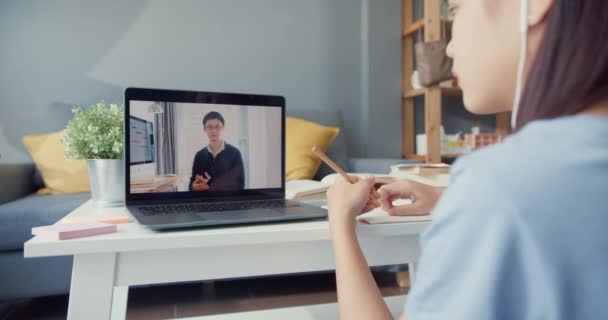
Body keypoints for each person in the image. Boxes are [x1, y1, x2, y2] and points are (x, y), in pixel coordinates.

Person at [326, 0, 608, 319]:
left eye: (457, 9)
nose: (449, 49)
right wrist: (444, 197)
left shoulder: (498, 184)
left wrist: (340, 222)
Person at [189, 111, 245, 191]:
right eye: (210, 127)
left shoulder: (235, 153)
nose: (214, 131)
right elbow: (192, 184)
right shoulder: (199, 155)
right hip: (205, 201)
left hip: (227, 201)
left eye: (217, 126)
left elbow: (240, 184)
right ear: (204, 129)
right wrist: (193, 187)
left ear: (223, 128)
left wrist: (211, 187)